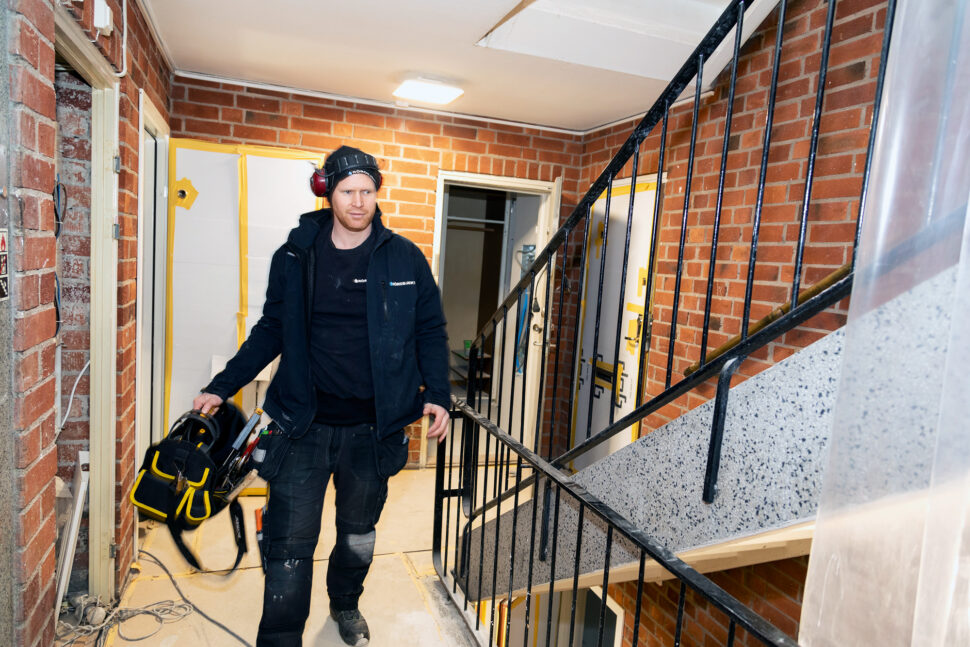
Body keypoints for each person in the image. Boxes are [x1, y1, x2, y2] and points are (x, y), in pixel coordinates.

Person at [193, 145, 451, 646]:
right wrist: (222, 387)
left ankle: (345, 604)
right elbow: (270, 329)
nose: (359, 202)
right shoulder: (296, 255)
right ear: (327, 192)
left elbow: (431, 331)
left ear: (378, 194)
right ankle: (281, 637)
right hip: (300, 427)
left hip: (374, 430)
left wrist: (437, 393)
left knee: (357, 534)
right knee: (291, 542)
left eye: (368, 192)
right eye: (348, 191)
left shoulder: (404, 257)